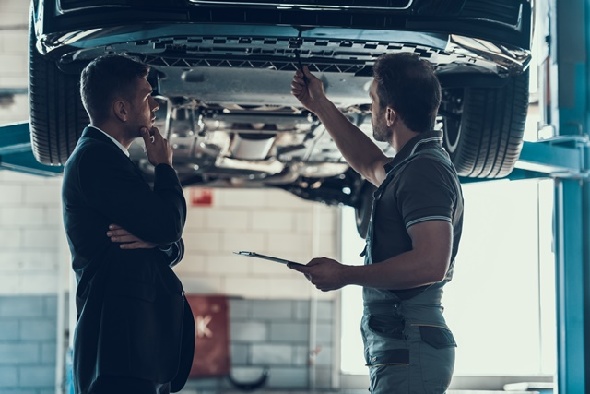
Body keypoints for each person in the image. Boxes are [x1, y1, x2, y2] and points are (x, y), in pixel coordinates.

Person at [290, 53, 464, 393]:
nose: (370, 109)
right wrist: (321, 106)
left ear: (390, 114)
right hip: (404, 343)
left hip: (411, 345)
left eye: (372, 101)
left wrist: (345, 275)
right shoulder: (413, 164)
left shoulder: (424, 170)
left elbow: (431, 263)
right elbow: (369, 163)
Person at [62, 54, 195, 394]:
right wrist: (164, 166)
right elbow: (168, 225)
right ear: (122, 110)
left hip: (129, 349)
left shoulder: (107, 159)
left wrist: (158, 240)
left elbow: (167, 238)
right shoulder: (95, 159)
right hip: (117, 350)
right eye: (147, 96)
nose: (155, 106)